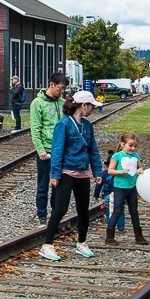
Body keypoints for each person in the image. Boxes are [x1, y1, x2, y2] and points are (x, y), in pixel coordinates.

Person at [40, 90, 103, 262]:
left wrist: (97, 172)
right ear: (84, 106)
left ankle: (82, 242)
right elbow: (57, 149)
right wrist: (55, 174)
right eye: (91, 106)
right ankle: (47, 245)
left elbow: (93, 150)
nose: (92, 109)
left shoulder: (88, 126)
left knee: (83, 210)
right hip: (66, 171)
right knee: (60, 208)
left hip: (83, 172)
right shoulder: (64, 124)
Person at [29, 72, 69, 226]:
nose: (62, 91)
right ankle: (42, 214)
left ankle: (55, 213)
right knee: (43, 183)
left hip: (61, 150)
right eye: (60, 88)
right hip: (46, 150)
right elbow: (36, 128)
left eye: (64, 89)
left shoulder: (62, 102)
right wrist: (40, 150)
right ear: (52, 85)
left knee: (58, 183)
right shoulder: (37, 103)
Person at [106, 133, 145, 245]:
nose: (132, 148)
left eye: (135, 146)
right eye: (130, 145)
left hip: (132, 187)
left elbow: (140, 166)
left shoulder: (136, 156)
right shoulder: (117, 156)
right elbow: (110, 170)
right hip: (120, 187)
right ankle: (109, 236)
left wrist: (140, 170)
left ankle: (139, 236)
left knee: (134, 211)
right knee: (117, 211)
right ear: (123, 144)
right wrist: (121, 171)